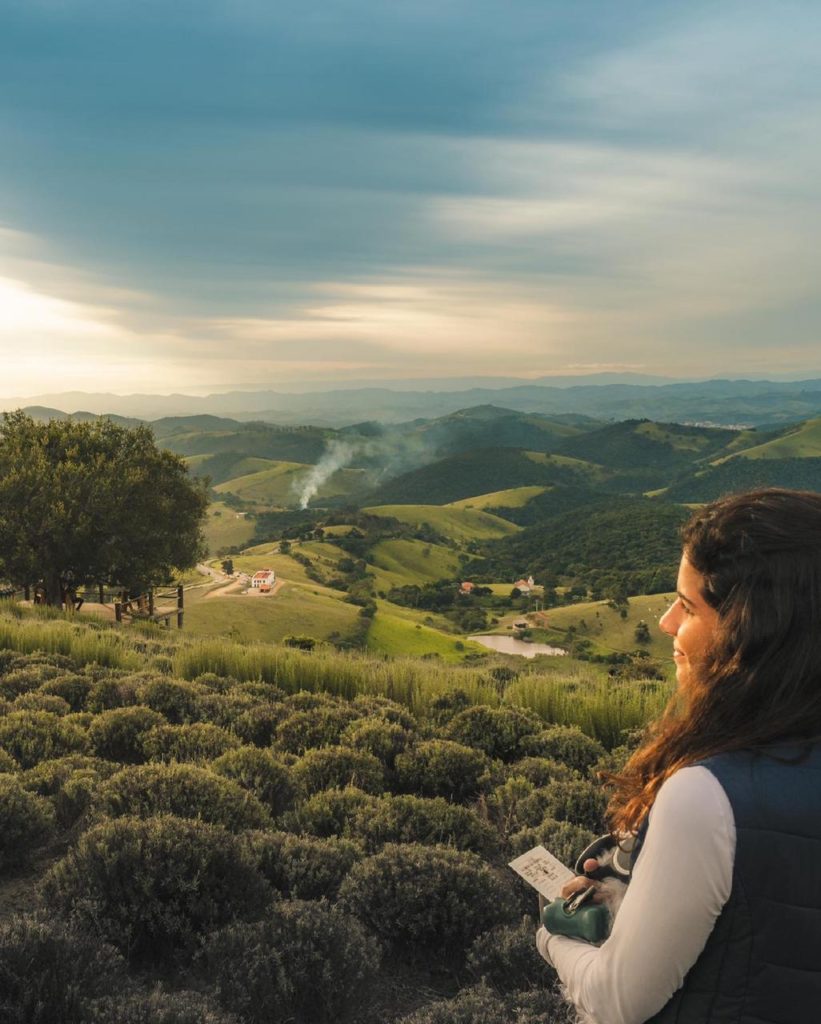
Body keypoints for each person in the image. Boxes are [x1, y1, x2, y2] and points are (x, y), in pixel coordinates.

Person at [536, 488, 821, 1024]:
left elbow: (617, 1000)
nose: (667, 622)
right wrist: (630, 899)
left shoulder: (709, 797)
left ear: (755, 632)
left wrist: (552, 934)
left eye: (688, 606)